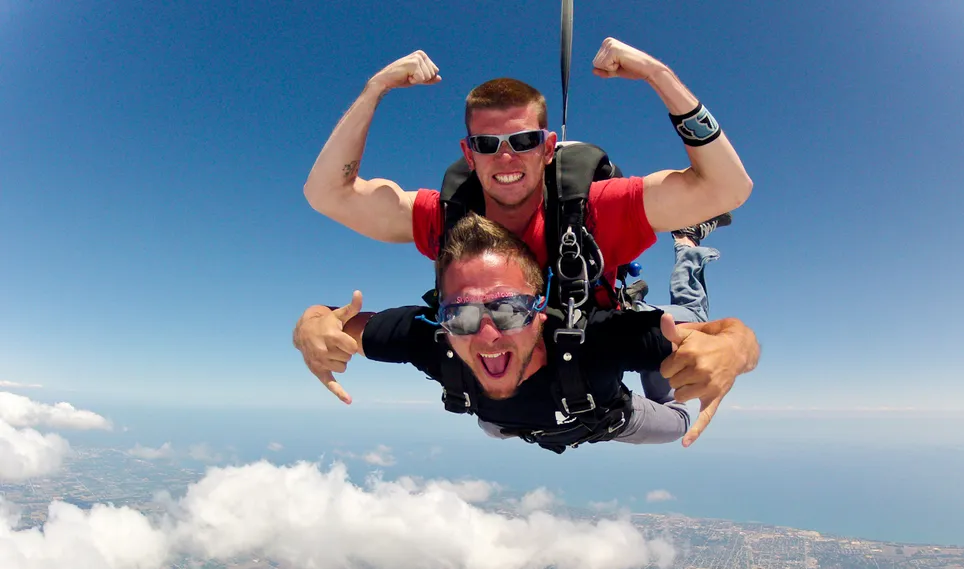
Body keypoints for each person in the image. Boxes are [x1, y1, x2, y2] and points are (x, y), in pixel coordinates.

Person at [299, 40, 753, 409]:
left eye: (523, 140)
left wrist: (660, 75)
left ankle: (688, 244)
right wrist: (374, 88)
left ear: (548, 147)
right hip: (528, 359)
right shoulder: (449, 218)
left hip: (606, 327)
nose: (505, 156)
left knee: (670, 381)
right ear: (468, 152)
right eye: (487, 143)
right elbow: (328, 195)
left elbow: (726, 189)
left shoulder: (594, 208)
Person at [293, 215, 759, 451]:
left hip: (609, 419)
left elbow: (729, 335)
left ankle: (687, 245)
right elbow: (332, 319)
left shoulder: (593, 340)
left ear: (541, 310)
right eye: (462, 316)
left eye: (509, 310)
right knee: (494, 423)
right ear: (443, 317)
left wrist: (733, 351)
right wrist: (310, 326)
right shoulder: (431, 339)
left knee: (678, 382)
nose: (487, 335)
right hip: (514, 422)